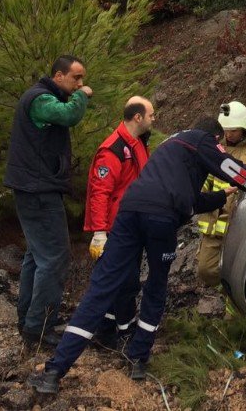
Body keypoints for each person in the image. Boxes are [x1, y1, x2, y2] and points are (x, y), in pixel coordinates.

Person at [27, 117, 246, 393]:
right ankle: (138, 358)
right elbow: (228, 167)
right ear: (216, 137)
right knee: (156, 284)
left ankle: (54, 372)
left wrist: (223, 195)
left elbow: (189, 198)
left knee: (101, 288)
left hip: (130, 212)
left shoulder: (170, 145)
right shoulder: (202, 139)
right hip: (161, 220)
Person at [3, 55, 92, 347]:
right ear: (58, 76)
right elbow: (69, 116)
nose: (80, 84)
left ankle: (29, 322)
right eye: (76, 78)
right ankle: (39, 327)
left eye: (82, 79)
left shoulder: (41, 97)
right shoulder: (41, 100)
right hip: (38, 189)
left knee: (37, 256)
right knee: (54, 257)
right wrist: (82, 97)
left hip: (35, 186)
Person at [83, 96, 154, 347]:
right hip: (116, 228)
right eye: (151, 115)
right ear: (138, 117)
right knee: (124, 282)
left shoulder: (137, 144)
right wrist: (100, 231)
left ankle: (107, 329)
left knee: (126, 280)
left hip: (132, 224)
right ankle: (122, 332)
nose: (153, 119)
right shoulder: (114, 149)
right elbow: (100, 192)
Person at [196, 101, 246, 288]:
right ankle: (228, 291)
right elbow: (205, 177)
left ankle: (237, 308)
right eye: (226, 130)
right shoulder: (215, 147)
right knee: (205, 270)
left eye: (233, 130)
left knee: (245, 271)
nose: (228, 135)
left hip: (243, 222)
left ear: (245, 128)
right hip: (215, 220)